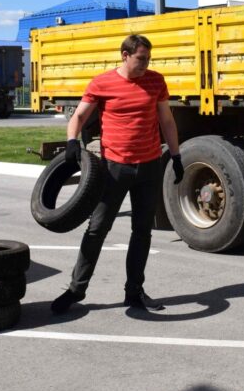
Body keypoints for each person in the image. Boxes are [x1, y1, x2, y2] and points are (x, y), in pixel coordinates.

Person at [51, 34, 183, 314]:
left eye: (148, 59)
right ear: (125, 55)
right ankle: (76, 289)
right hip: (114, 169)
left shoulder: (156, 81)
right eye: (141, 59)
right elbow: (79, 116)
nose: (146, 64)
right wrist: (73, 141)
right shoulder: (103, 83)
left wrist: (176, 155)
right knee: (97, 228)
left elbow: (167, 120)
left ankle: (134, 291)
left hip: (148, 167)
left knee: (142, 232)